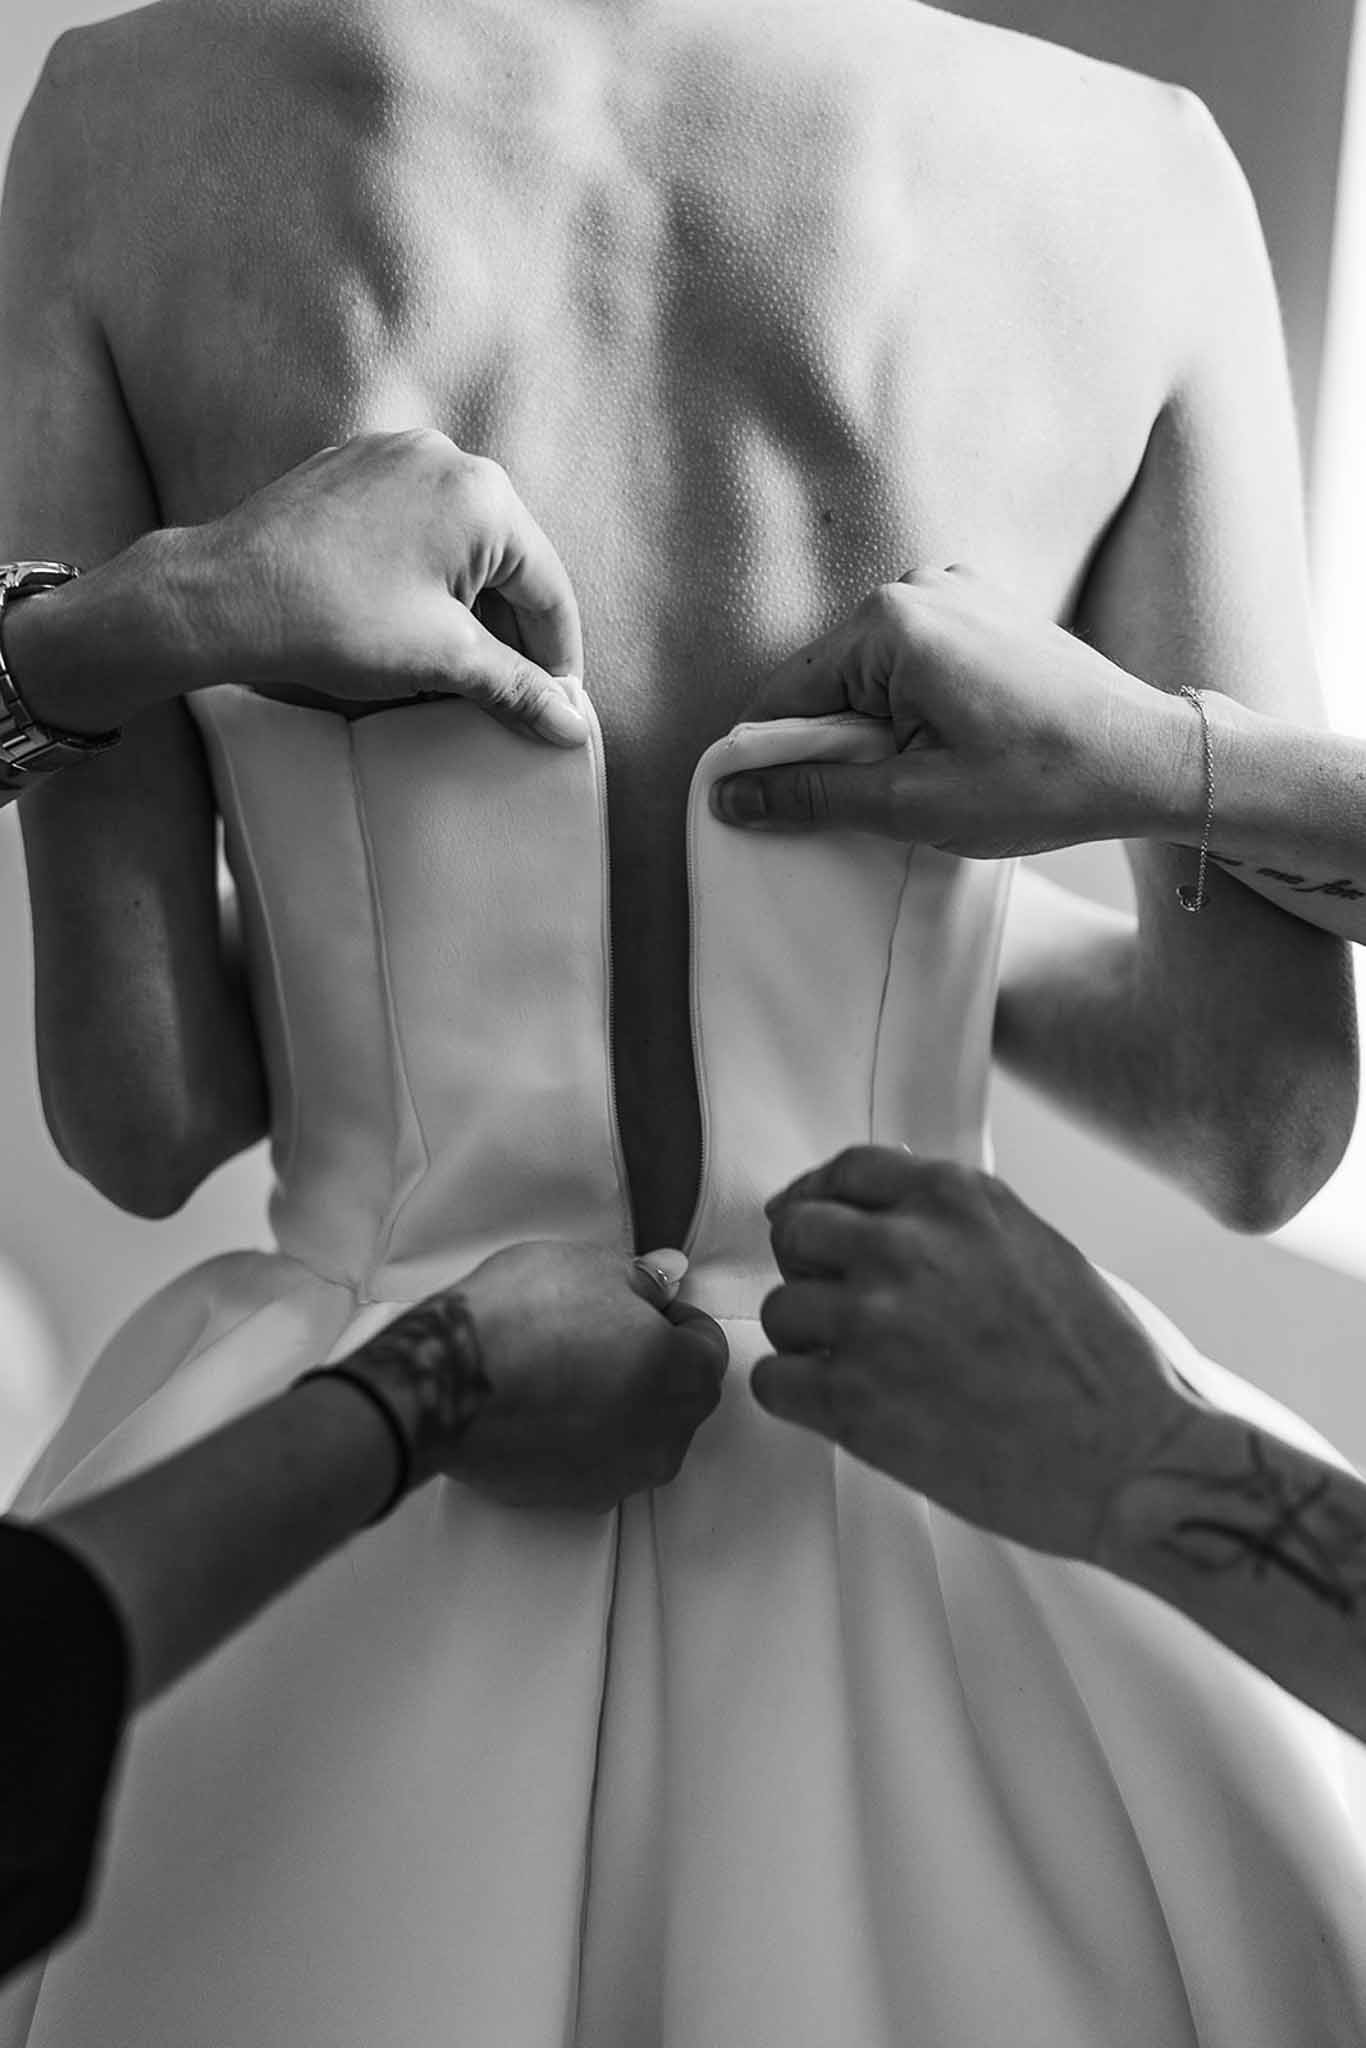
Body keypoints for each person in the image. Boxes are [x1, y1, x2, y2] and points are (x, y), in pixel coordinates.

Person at [5, 1, 1366, 2043]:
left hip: (350, 1498)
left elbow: (142, 1107)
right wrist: (894, 937)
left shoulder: (126, 119)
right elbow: (1256, 1121)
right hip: (941, 1439)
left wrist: (389, 940)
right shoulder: (1140, 178)